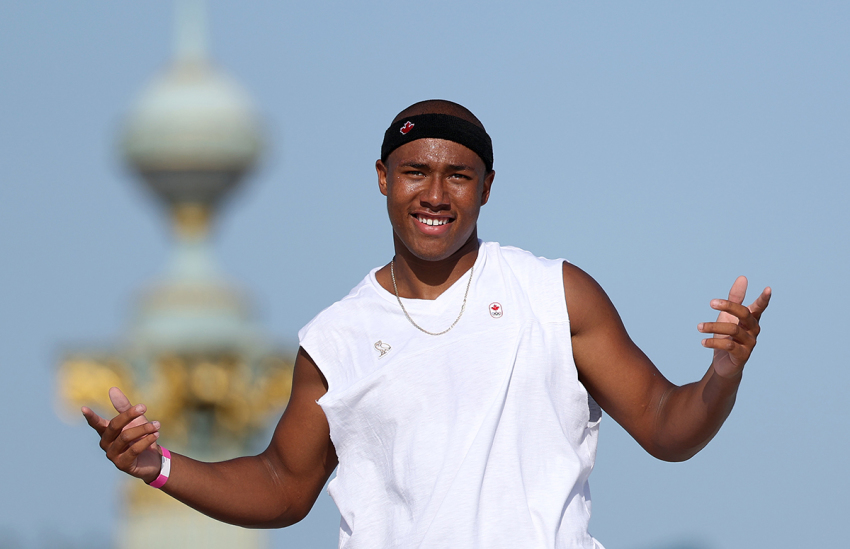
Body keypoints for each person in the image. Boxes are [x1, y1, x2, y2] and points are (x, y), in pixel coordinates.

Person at [83, 100, 771, 548]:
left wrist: (724, 374)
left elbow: (664, 423)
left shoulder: (553, 294)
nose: (435, 195)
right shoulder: (336, 339)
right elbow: (282, 483)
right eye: (415, 172)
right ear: (382, 178)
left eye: (459, 176)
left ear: (488, 187)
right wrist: (159, 465)